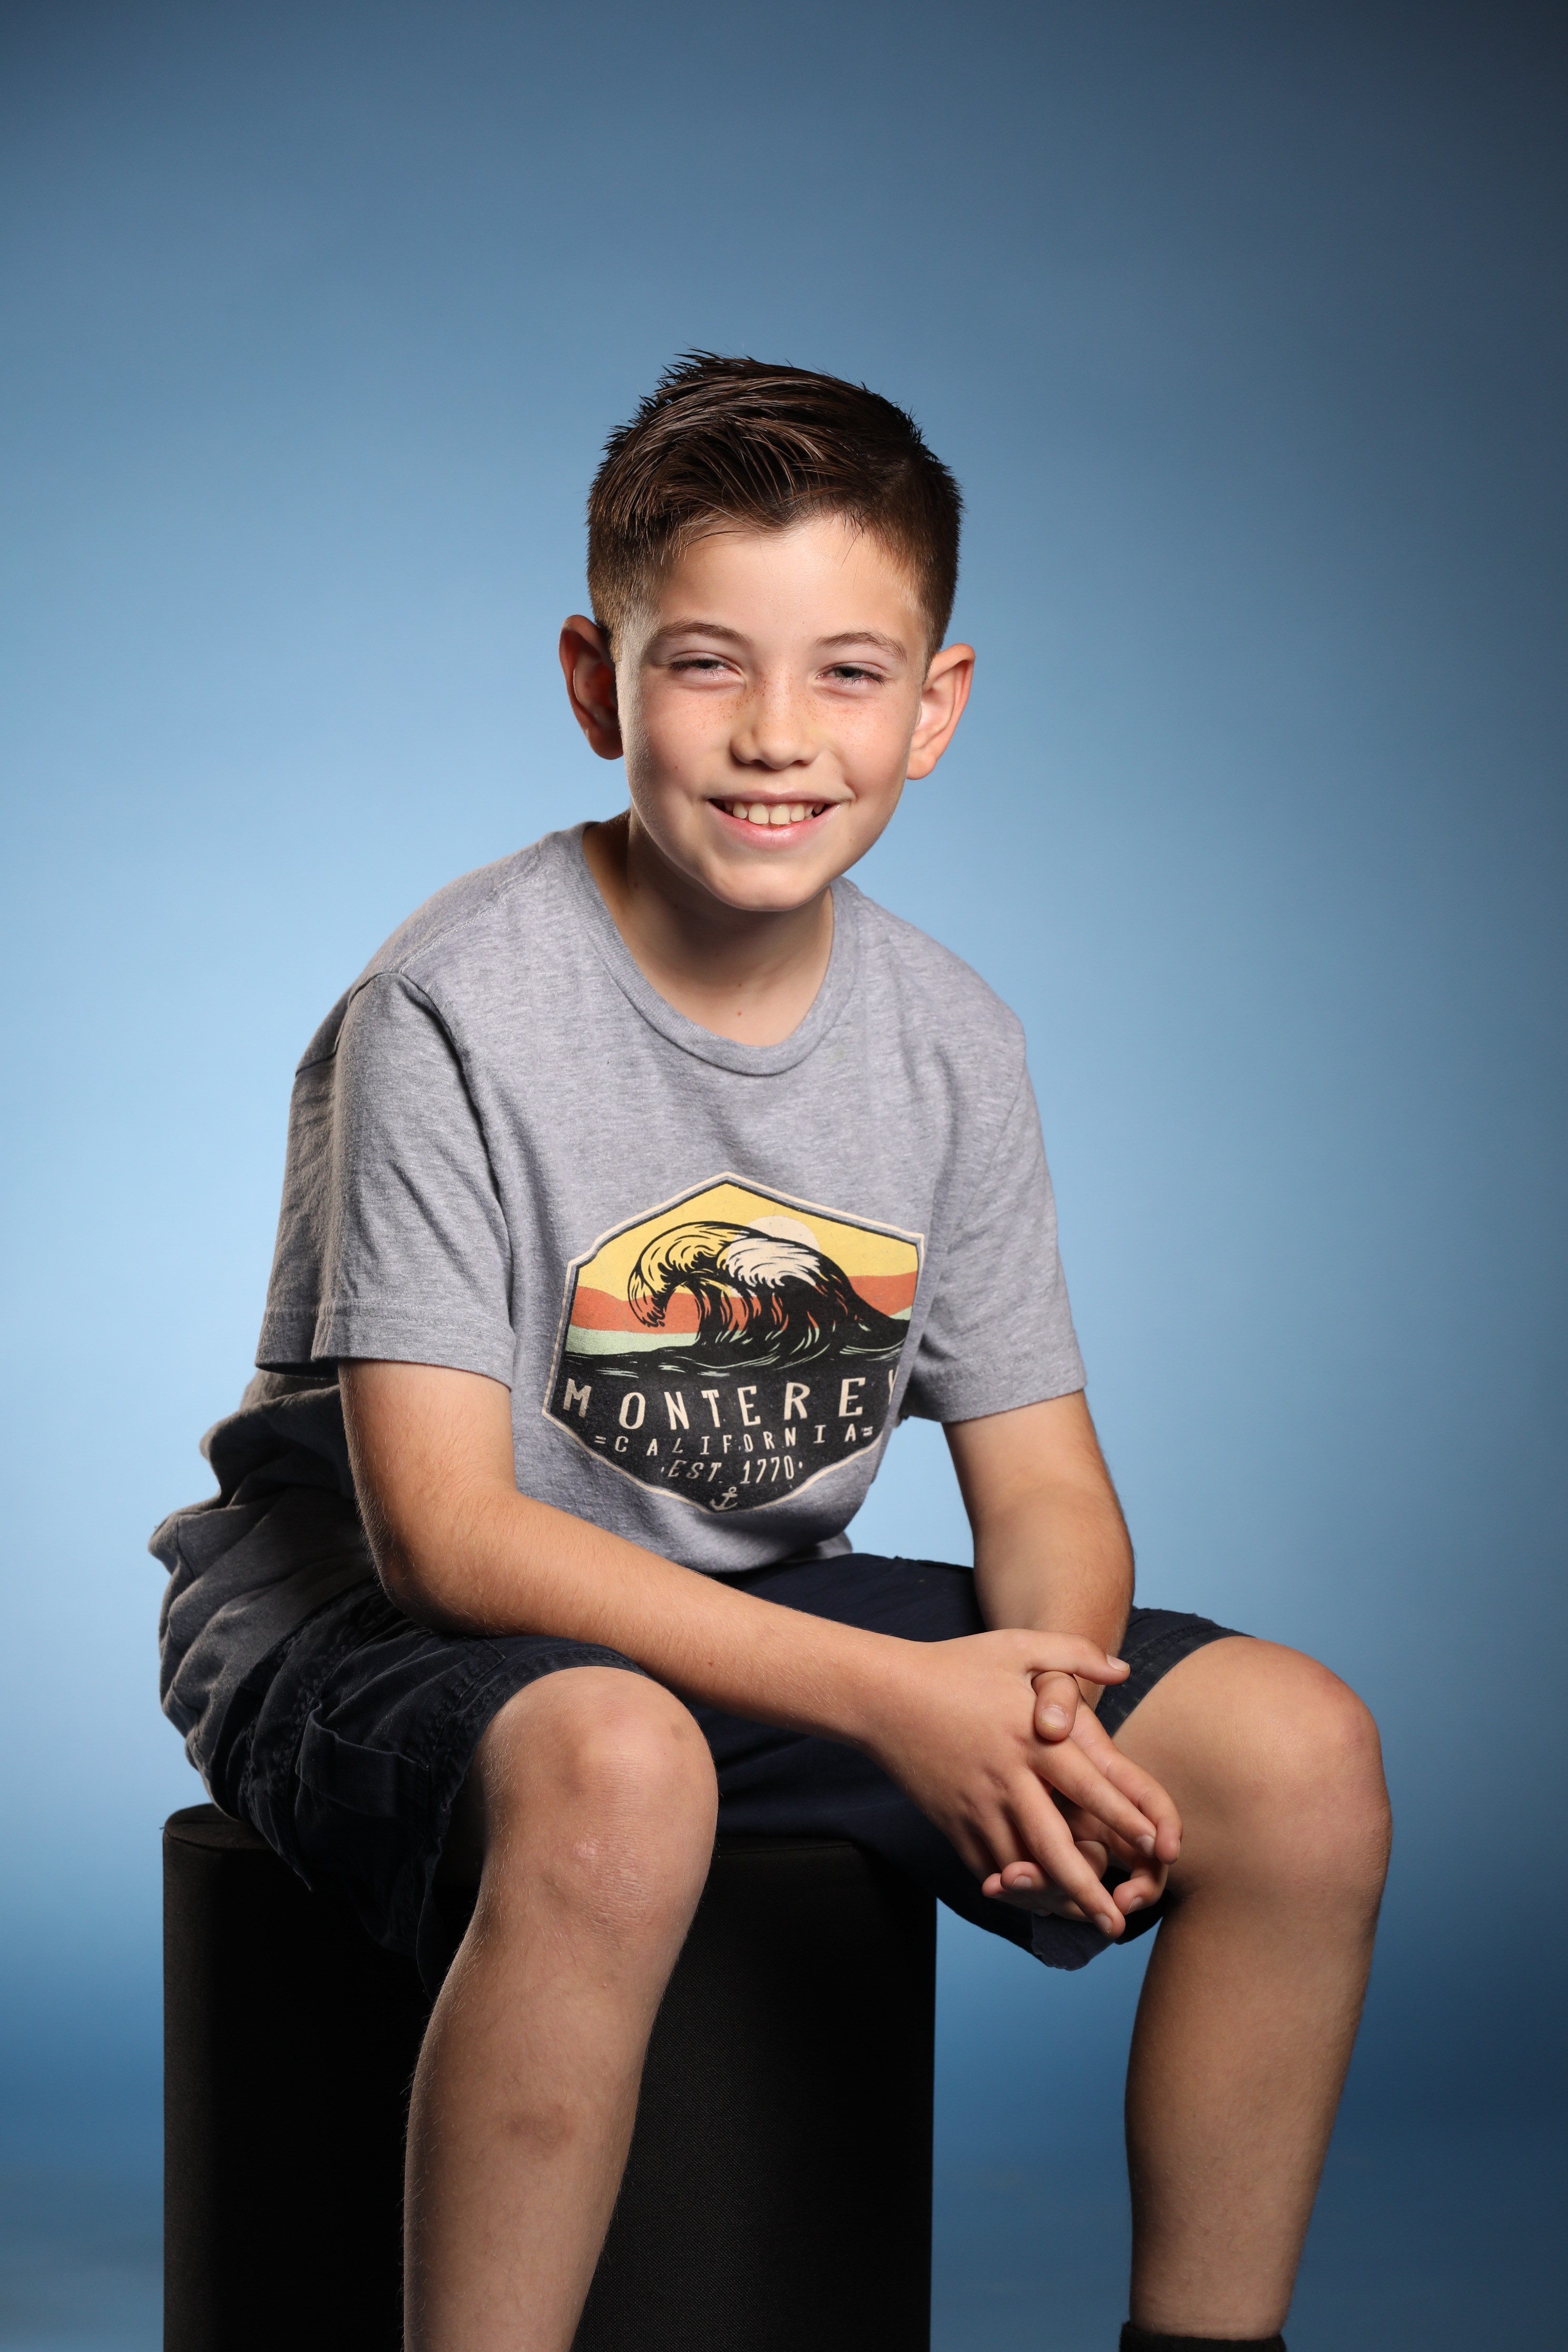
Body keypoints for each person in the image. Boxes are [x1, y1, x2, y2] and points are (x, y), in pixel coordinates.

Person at [152, 354, 1390, 2352]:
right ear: (597, 681)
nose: (777, 737)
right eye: (708, 665)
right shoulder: (450, 1008)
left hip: (739, 1614)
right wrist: (899, 1703)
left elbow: (1048, 1485)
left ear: (937, 707)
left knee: (1303, 1758)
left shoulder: (950, 1038)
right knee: (621, 1766)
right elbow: (448, 1539)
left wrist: (1042, 1712)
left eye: (848, 674)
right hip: (366, 1625)